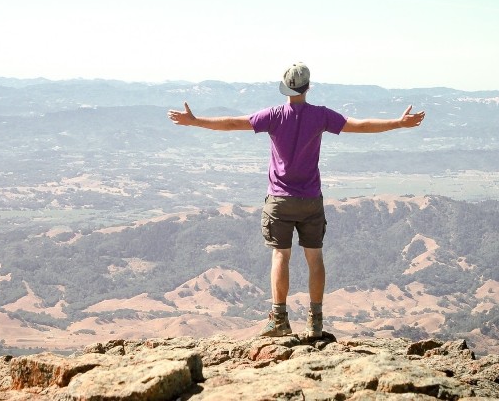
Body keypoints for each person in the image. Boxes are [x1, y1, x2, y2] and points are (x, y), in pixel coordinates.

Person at [167, 62, 425, 338]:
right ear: (308, 87)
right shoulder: (321, 116)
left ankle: (279, 319)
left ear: (285, 89)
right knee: (314, 258)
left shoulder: (274, 115)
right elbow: (359, 126)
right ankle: (315, 322)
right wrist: (398, 123)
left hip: (279, 199)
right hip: (311, 200)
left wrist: (195, 121)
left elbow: (233, 123)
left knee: (281, 255)